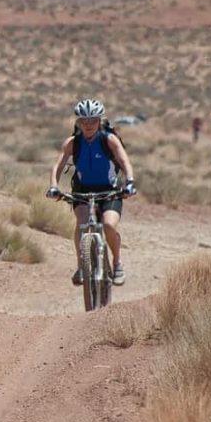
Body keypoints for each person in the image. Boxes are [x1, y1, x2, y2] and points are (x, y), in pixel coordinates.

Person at [46, 98, 137, 287]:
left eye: (93, 120)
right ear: (78, 122)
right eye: (84, 121)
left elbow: (124, 161)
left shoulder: (109, 139)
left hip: (110, 190)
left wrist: (129, 182)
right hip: (82, 190)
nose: (88, 125)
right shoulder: (73, 143)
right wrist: (53, 186)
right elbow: (58, 166)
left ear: (99, 120)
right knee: (82, 223)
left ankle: (117, 263)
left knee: (109, 225)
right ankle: (82, 265)